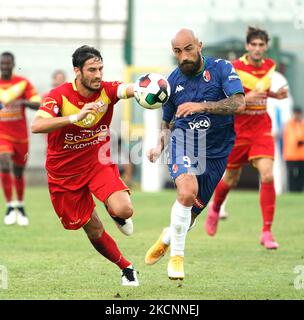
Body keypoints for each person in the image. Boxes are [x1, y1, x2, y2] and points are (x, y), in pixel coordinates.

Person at [31, 45, 138, 286]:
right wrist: (75, 117)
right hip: (64, 174)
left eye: (100, 68)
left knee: (125, 210)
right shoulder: (58, 95)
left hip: (96, 163)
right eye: (92, 69)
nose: (98, 74)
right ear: (77, 71)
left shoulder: (106, 90)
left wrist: (147, 87)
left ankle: (116, 214)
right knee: (92, 228)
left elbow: (127, 88)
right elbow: (36, 125)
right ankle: (126, 267)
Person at [144, 28, 245, 280]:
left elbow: (239, 103)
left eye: (188, 49)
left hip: (217, 152)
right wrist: (160, 146)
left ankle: (168, 236)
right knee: (186, 192)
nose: (184, 56)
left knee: (189, 215)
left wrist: (202, 106)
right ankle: (177, 258)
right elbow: (166, 123)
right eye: (178, 51)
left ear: (199, 45)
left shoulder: (221, 68)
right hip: (185, 142)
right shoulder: (172, 81)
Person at [205, 27, 288, 249]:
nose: (258, 49)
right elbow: (225, 98)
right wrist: (246, 97)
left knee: (268, 175)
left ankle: (267, 232)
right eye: (254, 44)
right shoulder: (235, 68)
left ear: (266, 47)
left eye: (261, 45)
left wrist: (274, 95)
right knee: (231, 178)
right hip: (238, 130)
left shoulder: (271, 66)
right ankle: (215, 208)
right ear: (247, 46)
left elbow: (262, 90)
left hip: (261, 128)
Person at [0, 51, 41, 226]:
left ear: (13, 64)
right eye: (2, 63)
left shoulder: (22, 83)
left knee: (18, 172)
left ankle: (20, 206)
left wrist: (22, 102)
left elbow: (38, 103)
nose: (5, 66)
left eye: (8, 63)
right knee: (4, 161)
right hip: (2, 134)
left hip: (20, 136)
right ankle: (9, 206)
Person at [283, 106, 304, 191]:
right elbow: (291, 138)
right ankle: (292, 190)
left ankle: (299, 190)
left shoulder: (302, 125)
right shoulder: (289, 125)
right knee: (291, 175)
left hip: (302, 155)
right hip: (290, 155)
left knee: (301, 175)